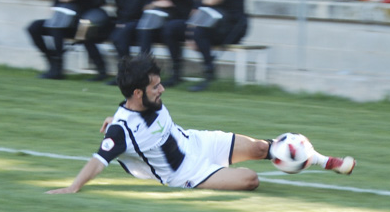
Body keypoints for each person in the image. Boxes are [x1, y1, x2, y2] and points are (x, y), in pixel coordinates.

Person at [46, 54, 356, 194]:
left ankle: (322, 160)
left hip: (196, 142)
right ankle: (314, 159)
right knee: (250, 180)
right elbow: (99, 160)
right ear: (138, 93)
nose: (162, 89)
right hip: (187, 173)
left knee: (265, 148)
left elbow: (133, 120)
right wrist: (74, 187)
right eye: (156, 87)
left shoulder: (133, 110)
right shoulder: (121, 130)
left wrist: (117, 117)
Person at [189, 0, 248, 92]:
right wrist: (188, 33)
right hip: (215, 25)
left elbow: (211, 0)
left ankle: (209, 73)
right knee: (179, 30)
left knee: (200, 33)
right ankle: (176, 74)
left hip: (233, 28)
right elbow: (201, 5)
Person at [138, 0, 196, 86]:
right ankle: (143, 72)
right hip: (163, 21)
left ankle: (176, 73)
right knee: (144, 28)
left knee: (169, 29)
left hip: (180, 21)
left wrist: (160, 1)